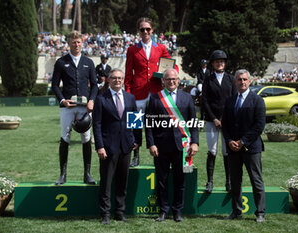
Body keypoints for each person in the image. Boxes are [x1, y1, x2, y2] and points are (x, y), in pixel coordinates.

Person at [145, 68, 199, 222]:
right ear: (163, 81)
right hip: (161, 147)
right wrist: (151, 144)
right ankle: (163, 210)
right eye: (168, 79)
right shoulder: (155, 99)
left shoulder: (187, 98)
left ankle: (177, 211)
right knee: (162, 181)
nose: (172, 81)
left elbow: (193, 123)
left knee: (180, 180)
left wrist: (194, 142)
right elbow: (148, 124)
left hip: (183, 148)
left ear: (179, 80)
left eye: (174, 79)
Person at [124, 17, 178, 167]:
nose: (145, 32)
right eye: (142, 29)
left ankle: (161, 152)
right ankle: (136, 155)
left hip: (156, 91)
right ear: (138, 31)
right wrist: (128, 94)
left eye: (148, 29)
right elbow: (128, 74)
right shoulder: (132, 50)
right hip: (138, 93)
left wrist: (173, 75)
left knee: (158, 123)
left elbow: (172, 66)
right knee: (135, 125)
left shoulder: (160, 48)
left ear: (152, 30)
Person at [92, 68, 139, 225]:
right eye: (114, 78)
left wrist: (136, 141)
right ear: (108, 80)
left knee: (122, 181)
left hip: (126, 146)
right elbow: (97, 124)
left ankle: (120, 212)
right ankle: (105, 214)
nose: (117, 80)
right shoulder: (101, 99)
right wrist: (99, 146)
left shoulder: (130, 98)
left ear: (123, 80)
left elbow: (136, 122)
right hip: (108, 146)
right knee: (106, 182)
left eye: (120, 78)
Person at [51, 31, 98, 185]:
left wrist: (92, 100)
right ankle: (62, 174)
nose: (76, 44)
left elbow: (95, 86)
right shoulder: (61, 62)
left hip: (85, 108)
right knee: (65, 138)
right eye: (73, 42)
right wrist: (62, 100)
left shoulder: (88, 62)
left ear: (82, 43)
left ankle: (87, 174)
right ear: (68, 43)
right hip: (68, 107)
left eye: (78, 42)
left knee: (86, 138)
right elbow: (55, 85)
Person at [222, 69, 266, 223]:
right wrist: (229, 141)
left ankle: (260, 212)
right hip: (233, 148)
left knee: (256, 180)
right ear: (235, 82)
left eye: (245, 79)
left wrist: (243, 141)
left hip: (251, 148)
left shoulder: (258, 100)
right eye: (239, 79)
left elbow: (259, 125)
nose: (242, 82)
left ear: (250, 81)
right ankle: (236, 211)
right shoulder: (230, 101)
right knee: (235, 181)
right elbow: (225, 125)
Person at [202, 50, 237, 193]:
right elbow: (204, 101)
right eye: (217, 61)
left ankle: (229, 181)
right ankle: (210, 181)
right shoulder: (208, 79)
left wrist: (225, 118)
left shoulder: (231, 79)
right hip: (212, 120)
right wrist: (214, 118)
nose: (220, 63)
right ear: (213, 64)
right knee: (212, 151)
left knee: (226, 151)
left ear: (225, 63)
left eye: (222, 61)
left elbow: (234, 99)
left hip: (227, 121)